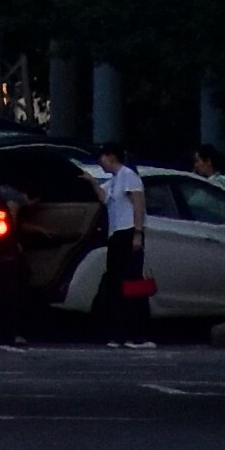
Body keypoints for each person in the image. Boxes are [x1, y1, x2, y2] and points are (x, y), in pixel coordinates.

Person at [91, 144, 149, 340]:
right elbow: (105, 199)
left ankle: (139, 332)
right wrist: (92, 182)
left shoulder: (129, 176)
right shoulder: (114, 180)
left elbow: (138, 204)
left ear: (110, 156)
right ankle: (118, 331)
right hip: (116, 234)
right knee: (116, 282)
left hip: (129, 231)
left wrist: (138, 233)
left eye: (102, 158)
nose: (101, 163)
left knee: (134, 281)